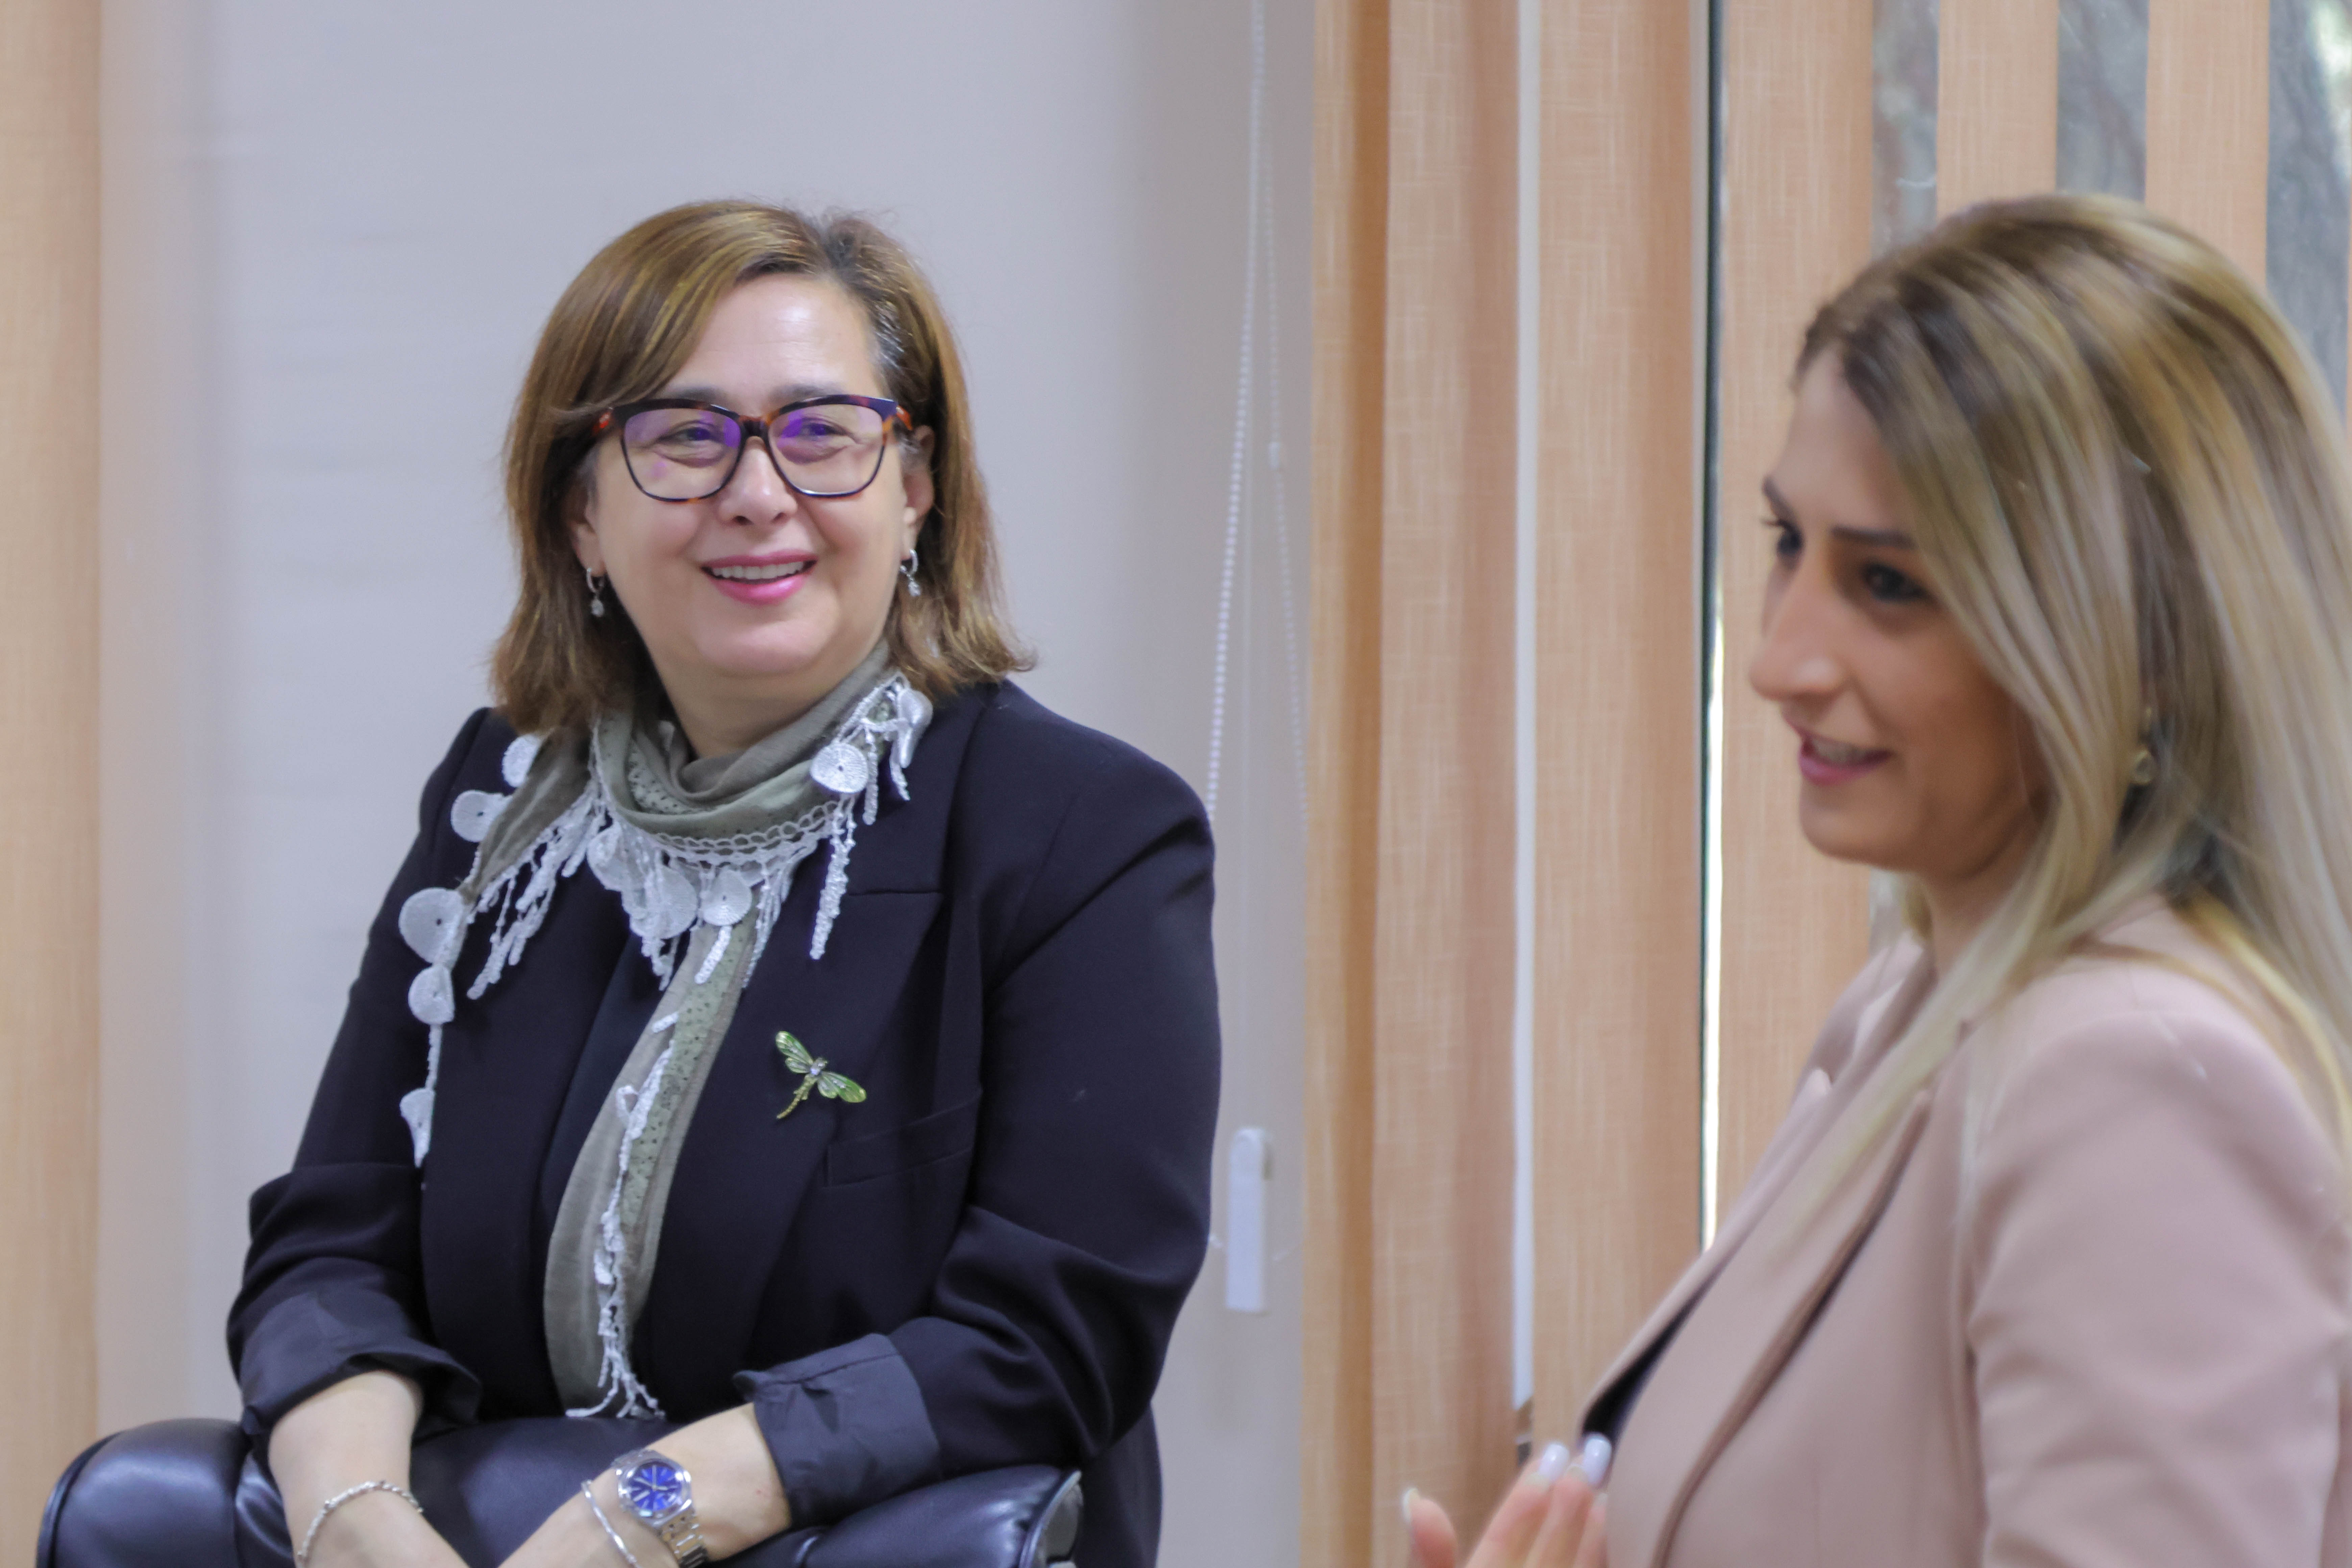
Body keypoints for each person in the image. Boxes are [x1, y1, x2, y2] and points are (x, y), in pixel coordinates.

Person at [229, 200, 1220, 1568]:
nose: (759, 492)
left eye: (823, 432)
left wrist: (639, 1515)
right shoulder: (500, 807)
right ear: (580, 512)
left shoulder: (1081, 832)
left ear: (914, 487)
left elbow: (1055, 1332)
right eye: (685, 436)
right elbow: (332, 1239)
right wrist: (355, 1516)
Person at [1414, 194, 2352, 1566]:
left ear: (2141, 650)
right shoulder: (1918, 1002)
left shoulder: (2135, 1084)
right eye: (1788, 544)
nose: (1777, 660)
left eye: (1891, 584)